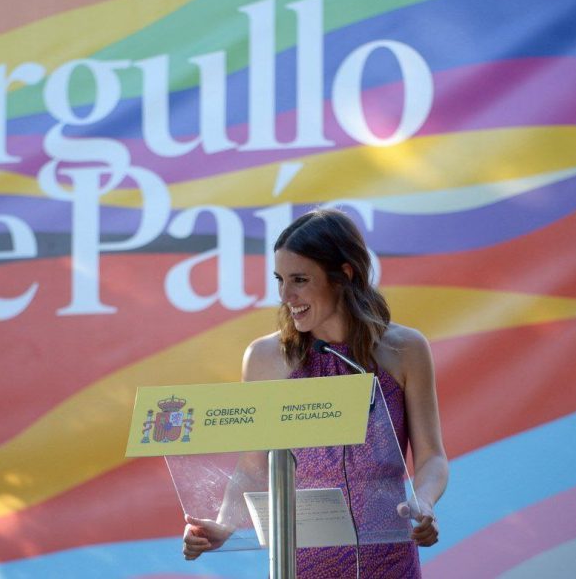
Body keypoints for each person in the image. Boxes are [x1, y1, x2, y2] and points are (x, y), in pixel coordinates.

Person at [182, 208, 448, 577]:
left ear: (344, 275)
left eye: (300, 280)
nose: (286, 295)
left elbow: (432, 457)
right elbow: (252, 467)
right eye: (280, 279)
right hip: (302, 563)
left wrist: (424, 504)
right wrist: (225, 524)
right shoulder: (263, 358)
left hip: (389, 559)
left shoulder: (405, 349)